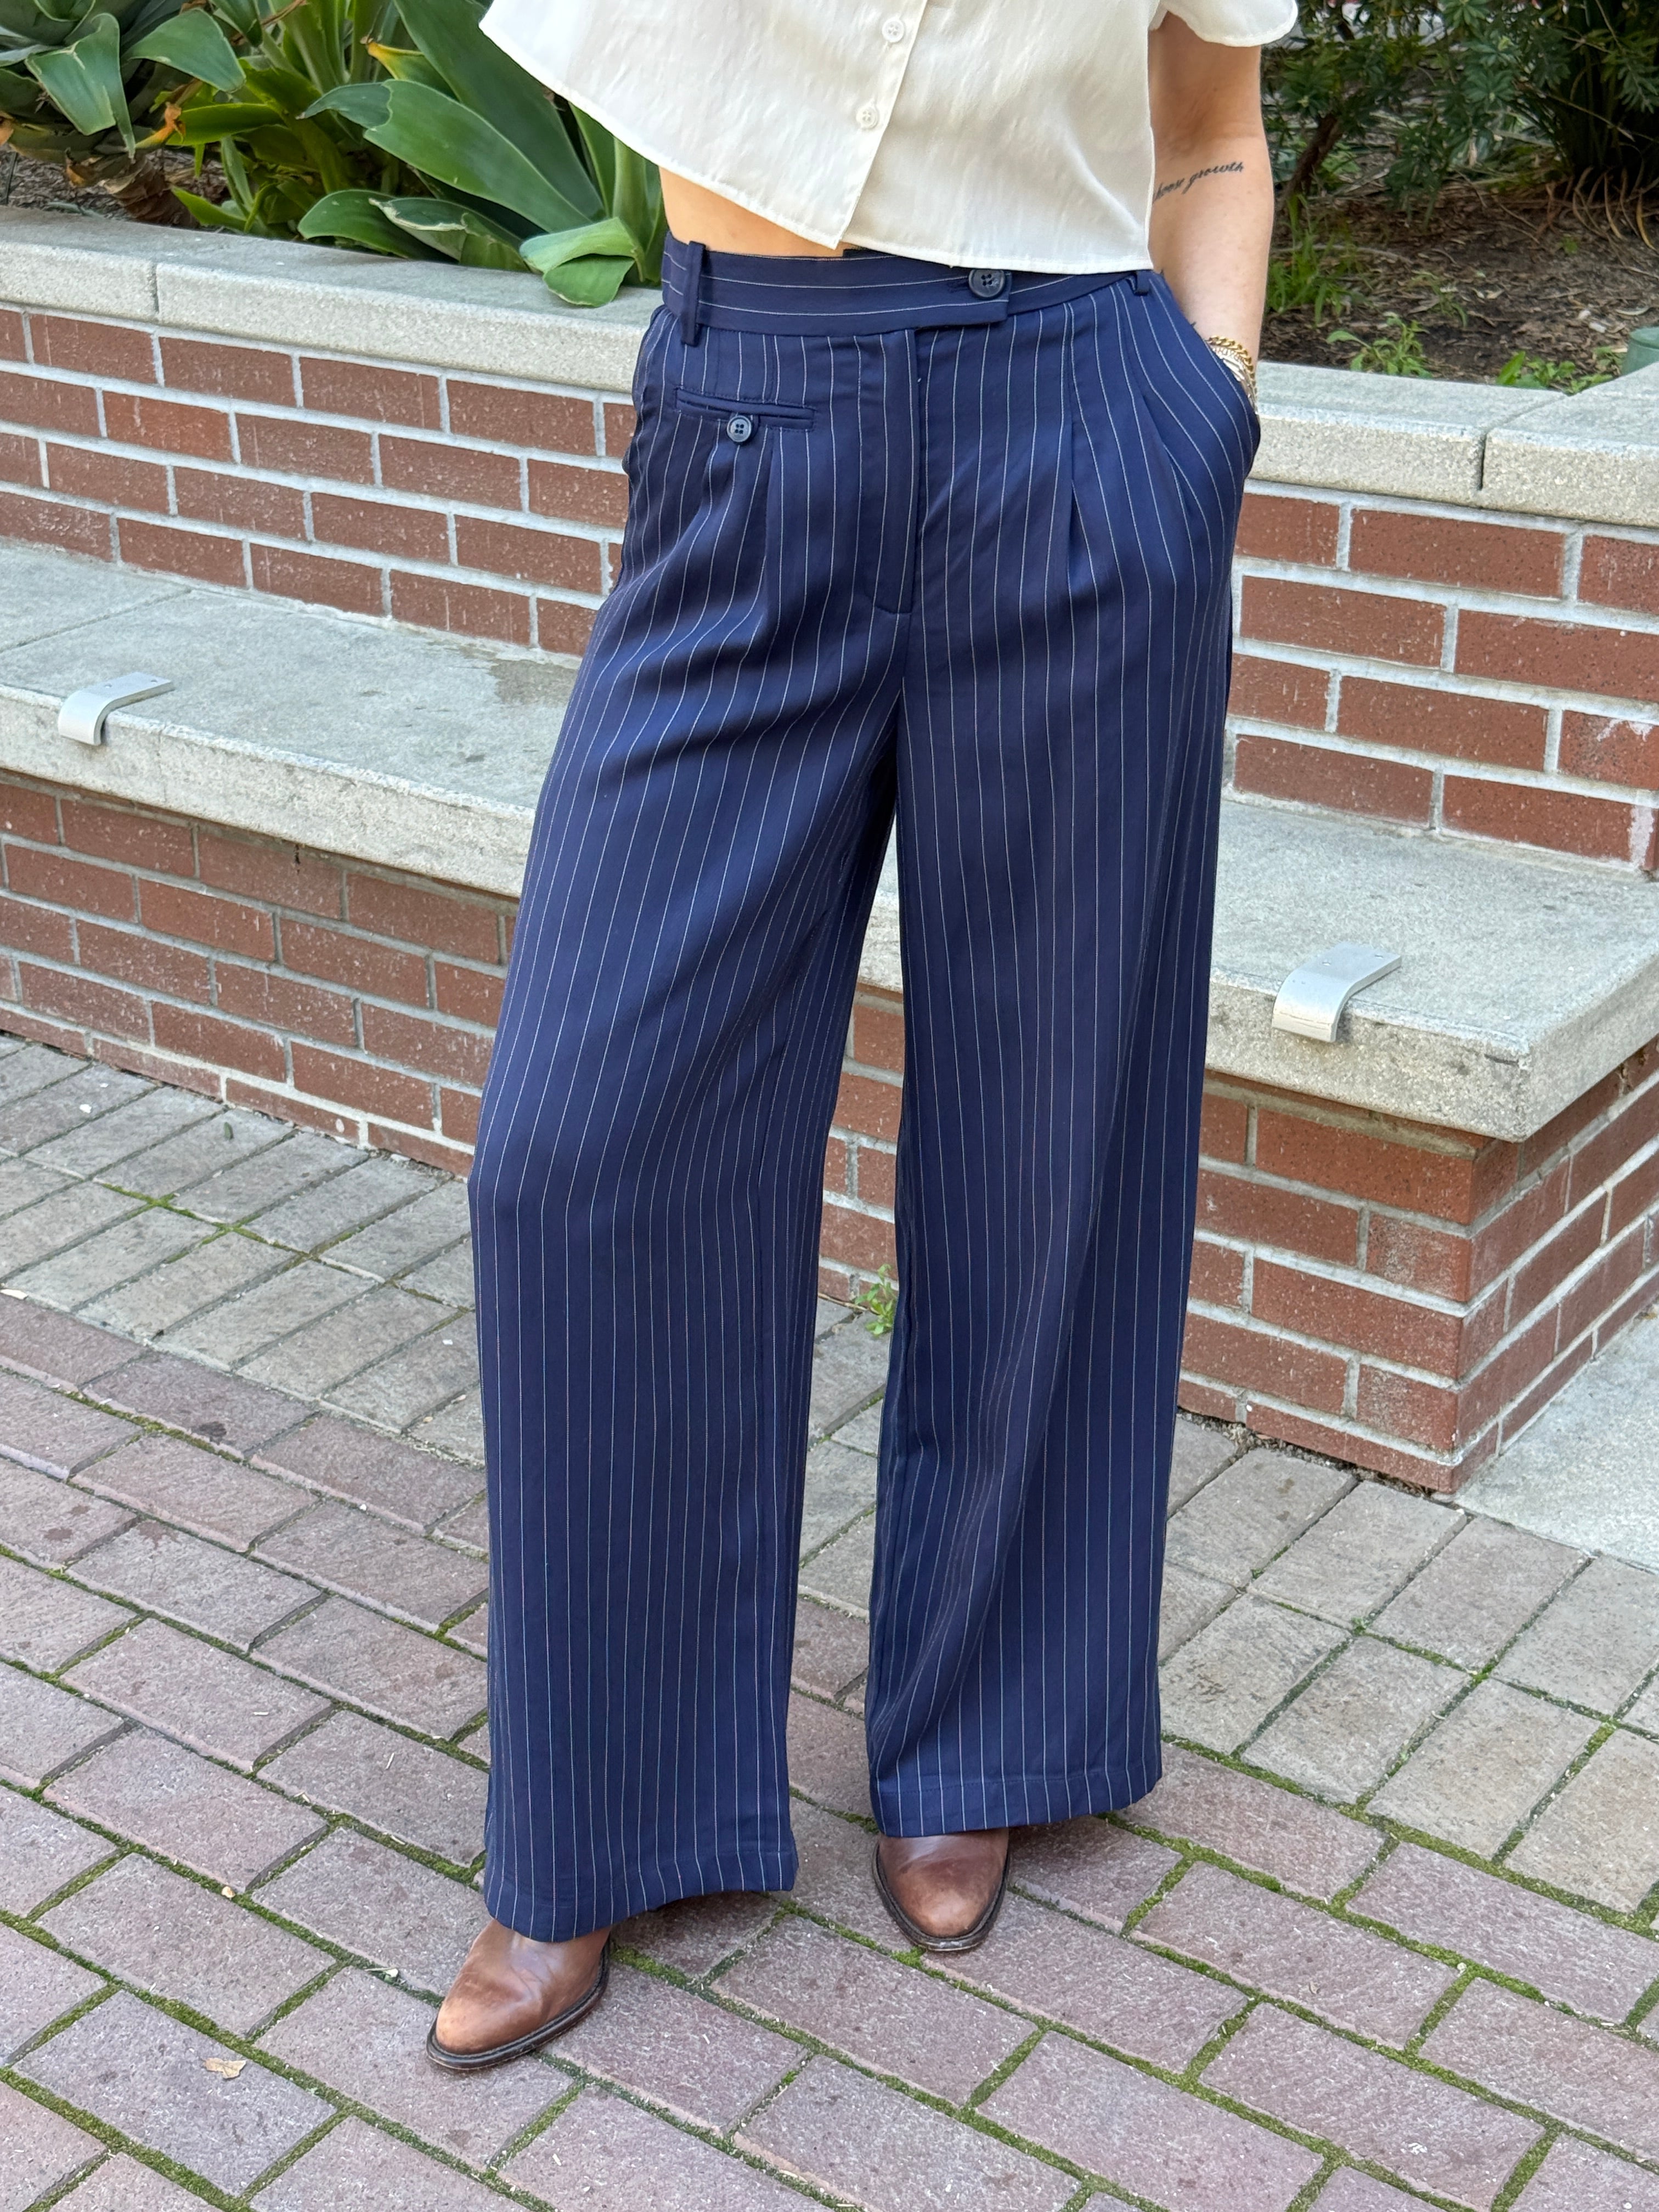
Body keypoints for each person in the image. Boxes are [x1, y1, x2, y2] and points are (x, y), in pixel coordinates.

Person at [428, 0, 1296, 2070]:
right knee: (579, 1154)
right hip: (750, 422)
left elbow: (1211, 128)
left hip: (1083, 431)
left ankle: (990, 1729)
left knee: (1051, 1123)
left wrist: (1208, 417)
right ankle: (605, 1808)